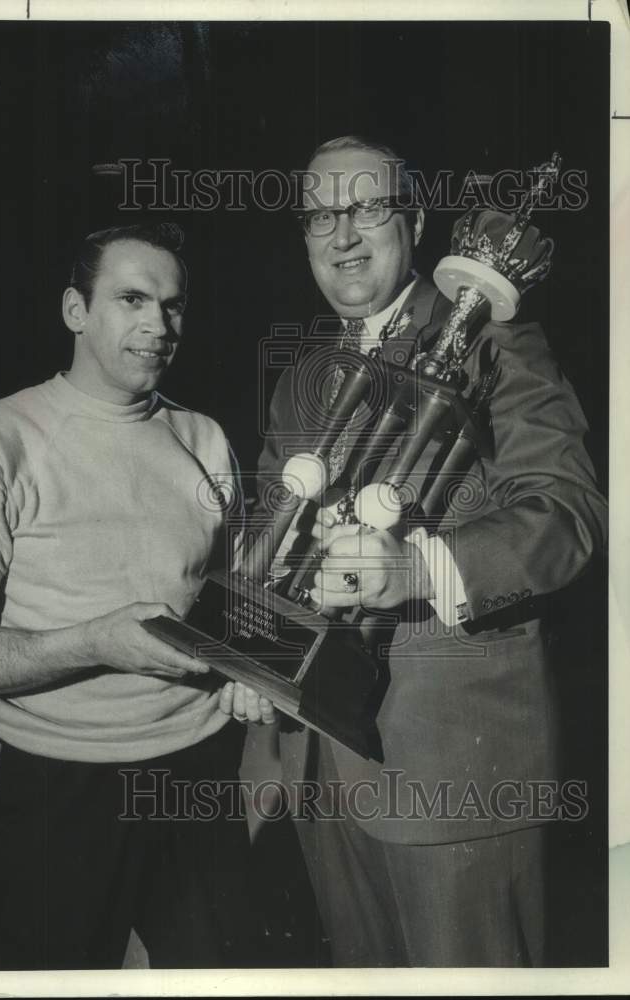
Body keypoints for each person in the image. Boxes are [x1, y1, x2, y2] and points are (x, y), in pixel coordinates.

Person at [257, 136, 607, 966]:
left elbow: (567, 512)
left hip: (453, 776)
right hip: (319, 768)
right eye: (319, 216)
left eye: (366, 208)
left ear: (412, 220)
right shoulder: (302, 376)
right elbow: (270, 538)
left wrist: (415, 570)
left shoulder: (496, 340)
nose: (342, 235)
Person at [0, 221, 274, 970]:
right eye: (131, 299)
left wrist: (250, 670)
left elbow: (238, 600)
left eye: (173, 306)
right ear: (75, 310)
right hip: (57, 786)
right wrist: (93, 641)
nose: (158, 325)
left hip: (198, 769)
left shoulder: (204, 437)